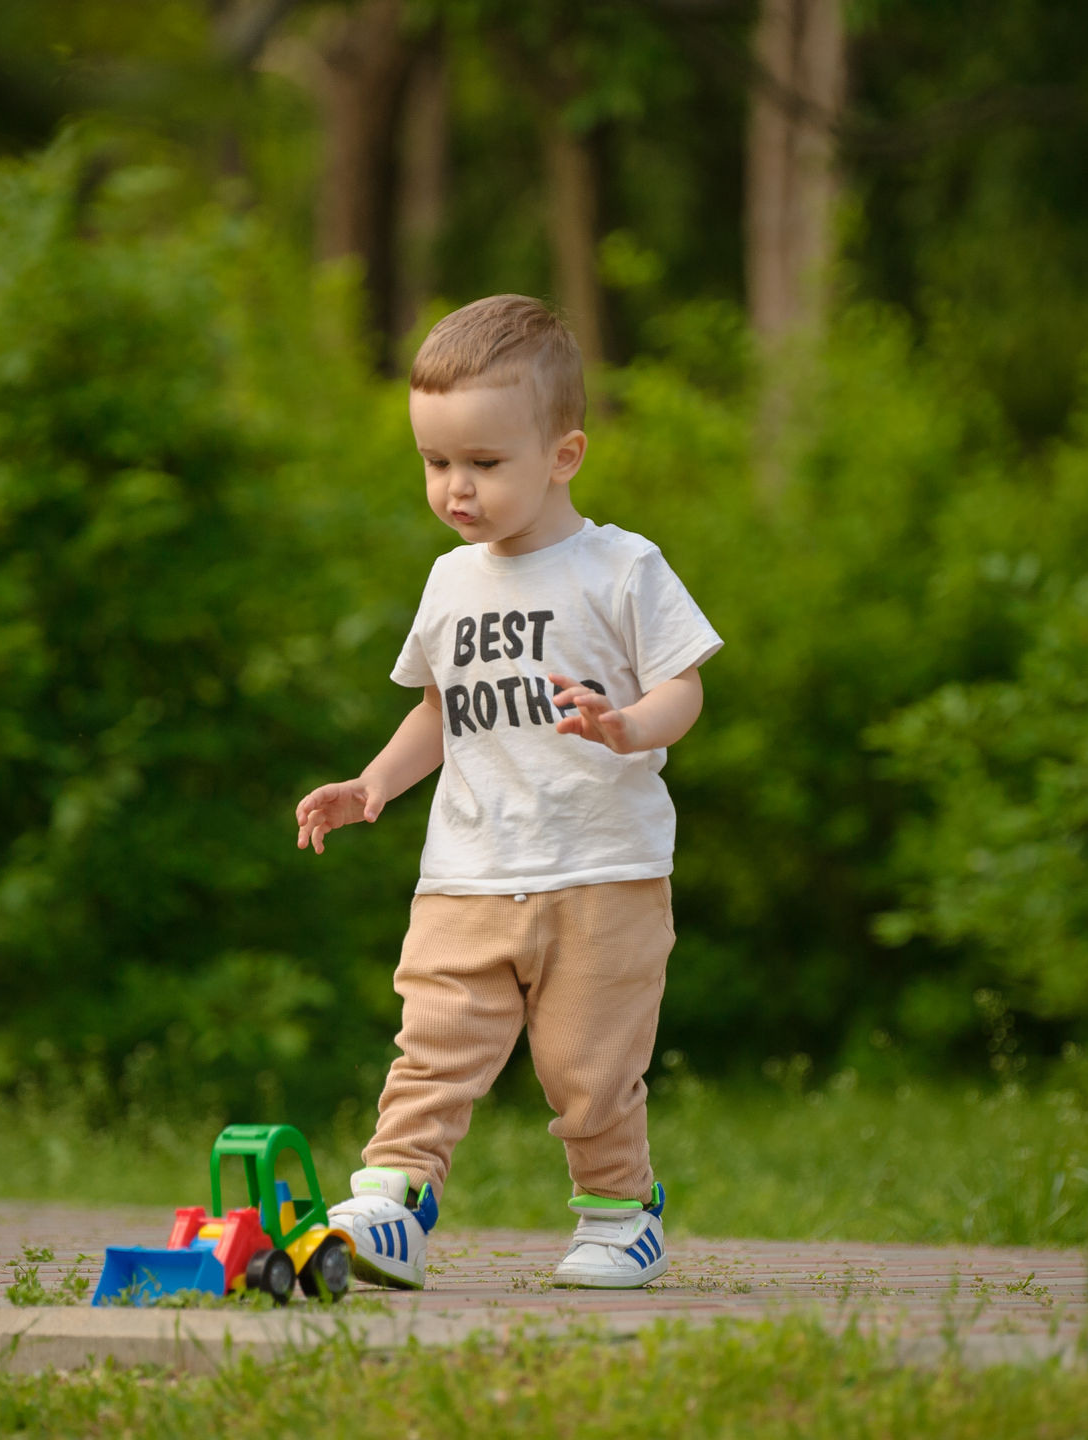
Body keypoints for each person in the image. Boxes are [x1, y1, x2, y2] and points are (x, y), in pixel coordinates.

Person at [294, 295, 722, 1290]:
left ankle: (619, 1216)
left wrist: (629, 725)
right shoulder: (451, 582)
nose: (456, 488)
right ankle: (393, 1203)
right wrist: (374, 783)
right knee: (432, 1044)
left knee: (587, 1067)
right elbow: (441, 710)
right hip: (468, 870)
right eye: (435, 462)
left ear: (563, 455)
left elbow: (684, 686)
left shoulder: (620, 568)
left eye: (484, 463)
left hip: (602, 870)